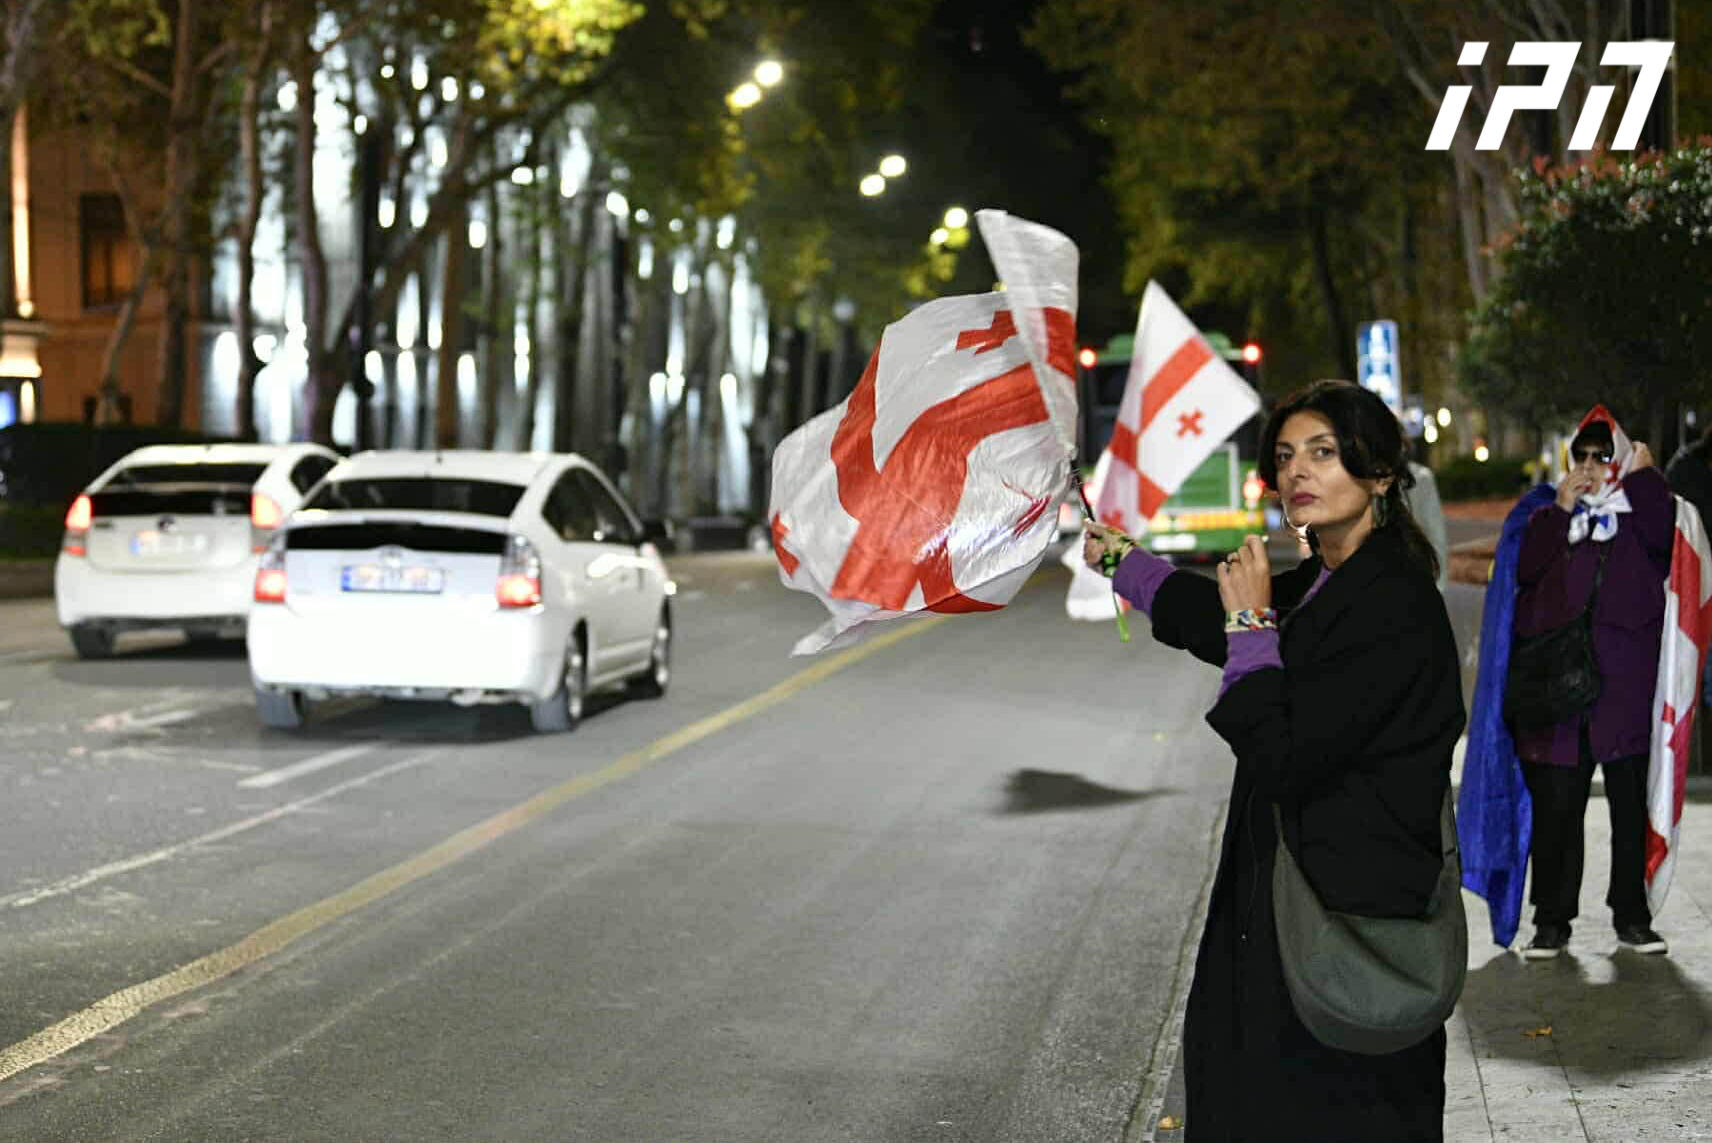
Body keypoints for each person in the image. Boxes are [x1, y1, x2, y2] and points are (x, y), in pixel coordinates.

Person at [1083, 379, 1463, 1142]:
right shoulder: (1331, 582)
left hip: (1347, 929)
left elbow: (1286, 753)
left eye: (1324, 453)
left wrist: (1253, 620)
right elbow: (1225, 623)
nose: (1299, 471)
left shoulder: (1392, 604)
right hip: (1286, 919)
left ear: (1380, 473)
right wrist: (1125, 563)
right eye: (1287, 455)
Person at [1511, 408, 1672, 959]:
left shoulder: (1642, 511)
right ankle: (1551, 922)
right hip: (1561, 694)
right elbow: (1525, 571)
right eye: (1580, 456)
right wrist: (1559, 510)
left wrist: (1645, 474)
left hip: (1624, 691)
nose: (1589, 467)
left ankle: (1632, 916)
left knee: (1629, 807)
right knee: (1559, 810)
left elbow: (1665, 540)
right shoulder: (1550, 518)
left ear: (1620, 459)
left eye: (1602, 456)